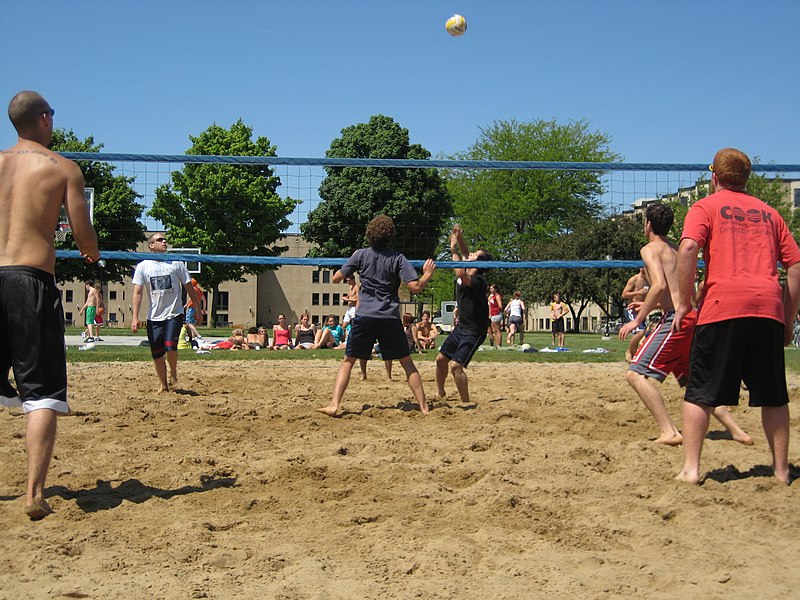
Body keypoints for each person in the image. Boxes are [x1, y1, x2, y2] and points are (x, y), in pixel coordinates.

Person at [0, 90, 100, 519]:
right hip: (30, 281)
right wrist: (91, 250)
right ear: (44, 119)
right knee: (42, 395)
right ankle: (34, 495)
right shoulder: (62, 168)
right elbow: (83, 235)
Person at [674, 148, 800, 485]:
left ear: (714, 175)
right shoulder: (771, 213)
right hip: (767, 308)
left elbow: (687, 249)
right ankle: (782, 471)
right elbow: (796, 265)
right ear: (746, 178)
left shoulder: (705, 207)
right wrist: (789, 317)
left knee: (700, 392)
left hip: (722, 306)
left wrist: (683, 303)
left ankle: (691, 469)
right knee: (773, 395)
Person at [619, 202, 752, 447]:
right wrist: (656, 306)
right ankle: (735, 430)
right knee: (692, 382)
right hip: (692, 317)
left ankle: (669, 431)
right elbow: (682, 293)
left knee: (634, 374)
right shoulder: (677, 248)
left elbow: (658, 286)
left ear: (648, 224)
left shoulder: (650, 249)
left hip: (676, 321)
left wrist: (637, 321)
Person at [316, 214, 435, 416]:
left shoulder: (360, 255)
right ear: (390, 237)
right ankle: (424, 408)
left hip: (365, 316)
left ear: (369, 234)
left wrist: (347, 267)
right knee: (407, 363)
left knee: (348, 361)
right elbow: (415, 287)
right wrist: (427, 274)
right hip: (389, 316)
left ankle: (335, 404)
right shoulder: (398, 258)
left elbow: (336, 278)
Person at [131, 233, 201, 393]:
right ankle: (163, 385)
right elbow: (138, 293)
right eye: (159, 240)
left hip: (174, 314)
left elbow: (189, 286)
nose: (164, 242)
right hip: (154, 317)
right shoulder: (143, 266)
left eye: (164, 239)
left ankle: (174, 372)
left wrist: (197, 307)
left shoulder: (176, 263)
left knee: (170, 346)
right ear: (151, 245)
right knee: (156, 353)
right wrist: (135, 317)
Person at [435, 225, 491, 404]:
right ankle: (440, 393)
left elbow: (459, 270)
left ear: (479, 263)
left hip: (475, 331)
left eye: (475, 254)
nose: (470, 254)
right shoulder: (470, 268)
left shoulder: (478, 281)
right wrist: (458, 237)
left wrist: (452, 249)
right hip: (461, 327)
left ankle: (466, 403)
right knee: (440, 360)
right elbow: (465, 253)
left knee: (455, 366)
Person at [621, 268, 650, 361]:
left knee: (641, 334)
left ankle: (633, 357)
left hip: (642, 309)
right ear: (640, 268)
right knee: (640, 331)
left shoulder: (650, 279)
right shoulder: (634, 279)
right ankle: (629, 351)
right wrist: (638, 292)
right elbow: (624, 294)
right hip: (632, 308)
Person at [183, 277, 206, 344]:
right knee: (193, 323)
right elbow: (204, 300)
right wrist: (203, 309)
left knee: (189, 323)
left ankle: (198, 335)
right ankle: (193, 338)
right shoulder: (199, 290)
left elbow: (191, 298)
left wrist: (187, 305)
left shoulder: (192, 289)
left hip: (191, 307)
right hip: (197, 308)